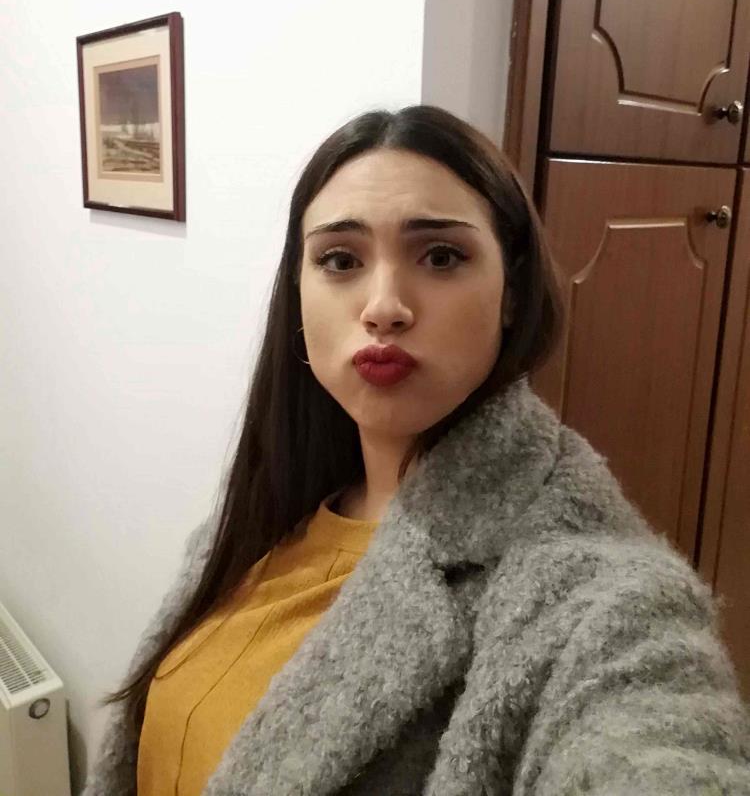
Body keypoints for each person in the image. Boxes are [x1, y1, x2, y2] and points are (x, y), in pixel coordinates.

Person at [82, 105, 750, 796]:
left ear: (513, 290)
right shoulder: (264, 515)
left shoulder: (599, 595)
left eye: (440, 257)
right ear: (298, 289)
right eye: (340, 260)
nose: (384, 306)